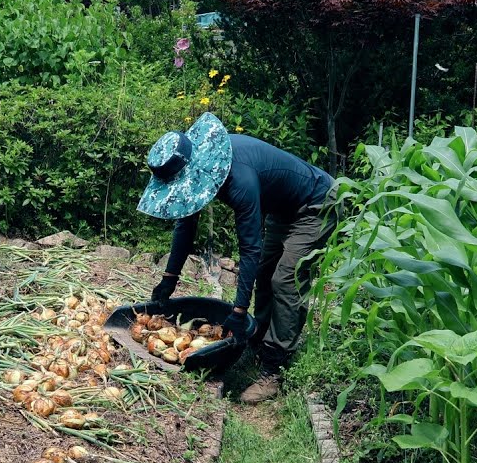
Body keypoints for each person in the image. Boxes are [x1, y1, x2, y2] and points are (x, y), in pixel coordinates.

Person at [137, 112, 338, 404]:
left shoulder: (237, 178)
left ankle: (274, 369)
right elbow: (186, 225)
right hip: (285, 207)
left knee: (285, 279)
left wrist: (240, 310)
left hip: (317, 203)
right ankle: (260, 345)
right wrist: (168, 280)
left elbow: (250, 247)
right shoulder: (200, 168)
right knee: (265, 275)